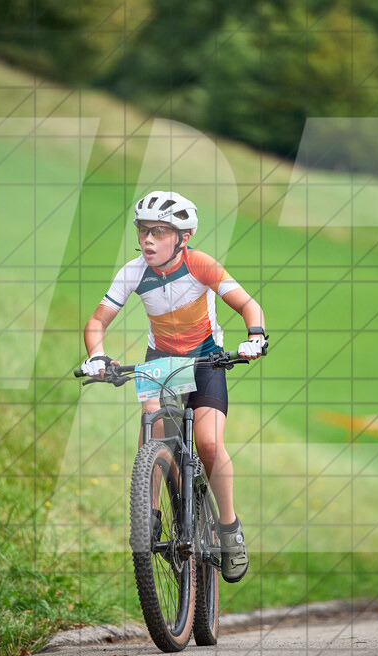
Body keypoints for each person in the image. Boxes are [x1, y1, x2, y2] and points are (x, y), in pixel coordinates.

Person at [79, 190, 267, 583]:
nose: (148, 239)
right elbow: (96, 322)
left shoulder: (201, 265)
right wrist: (97, 356)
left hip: (205, 360)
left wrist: (254, 336)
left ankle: (230, 529)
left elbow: (250, 305)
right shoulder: (134, 271)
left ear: (182, 238)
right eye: (143, 230)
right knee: (153, 437)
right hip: (161, 363)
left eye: (159, 232)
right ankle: (150, 515)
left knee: (208, 442)